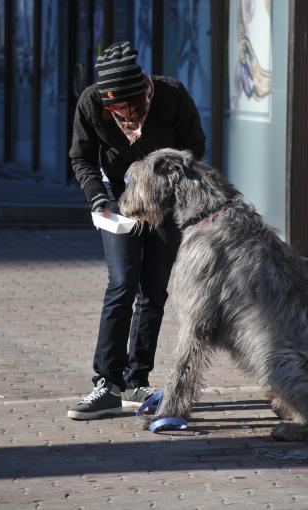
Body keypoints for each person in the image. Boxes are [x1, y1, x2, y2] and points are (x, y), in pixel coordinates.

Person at [67, 40, 205, 420]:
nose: (122, 114)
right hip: (117, 205)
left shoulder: (172, 95)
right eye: (114, 108)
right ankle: (106, 384)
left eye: (129, 106)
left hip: (162, 207)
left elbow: (194, 147)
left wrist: (160, 182)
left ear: (142, 91)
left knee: (153, 290)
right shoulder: (92, 102)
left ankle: (137, 378)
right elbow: (81, 157)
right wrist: (99, 198)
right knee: (121, 284)